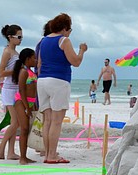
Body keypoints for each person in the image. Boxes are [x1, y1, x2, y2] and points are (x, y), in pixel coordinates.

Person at [37, 13, 87, 164]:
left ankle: (47, 153)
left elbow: (39, 64)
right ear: (65, 28)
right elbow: (75, 62)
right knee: (57, 121)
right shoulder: (64, 40)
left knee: (47, 120)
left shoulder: (43, 41)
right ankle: (52, 155)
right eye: (69, 29)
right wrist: (82, 51)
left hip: (42, 80)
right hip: (58, 80)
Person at [0, 24, 22, 161]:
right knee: (15, 122)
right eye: (18, 37)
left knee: (14, 121)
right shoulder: (7, 52)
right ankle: (1, 145)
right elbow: (1, 72)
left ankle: (11, 151)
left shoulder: (16, 53)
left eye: (21, 37)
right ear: (10, 37)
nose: (20, 39)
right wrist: (16, 72)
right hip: (9, 89)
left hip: (16, 88)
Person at [13, 48, 39, 164]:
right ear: (28, 59)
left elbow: (34, 90)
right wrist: (27, 107)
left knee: (27, 129)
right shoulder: (23, 72)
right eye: (34, 58)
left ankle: (25, 156)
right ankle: (22, 157)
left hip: (30, 102)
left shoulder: (31, 72)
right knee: (24, 129)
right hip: (21, 102)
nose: (35, 60)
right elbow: (22, 90)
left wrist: (34, 105)